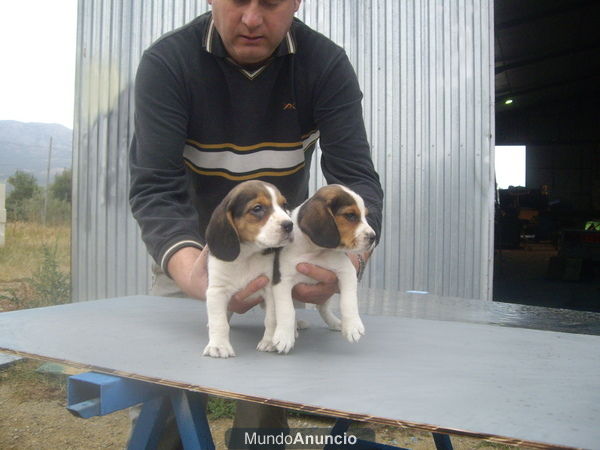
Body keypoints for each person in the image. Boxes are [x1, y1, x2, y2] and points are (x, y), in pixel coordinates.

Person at [129, 0, 383, 447]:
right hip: (194, 251)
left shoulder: (324, 65)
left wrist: (345, 265)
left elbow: (356, 179)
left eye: (270, 2)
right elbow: (155, 189)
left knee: (268, 391)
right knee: (170, 392)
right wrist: (189, 271)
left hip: (279, 256)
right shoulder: (168, 63)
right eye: (237, 0)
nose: (251, 18)